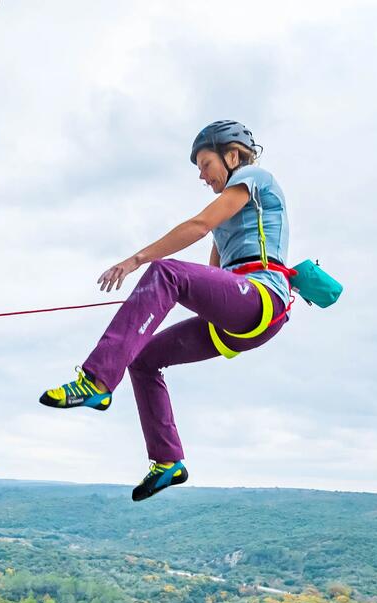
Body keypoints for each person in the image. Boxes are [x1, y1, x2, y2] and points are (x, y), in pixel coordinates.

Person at [38, 120, 293, 501]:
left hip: (261, 299)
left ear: (233, 156)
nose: (202, 176)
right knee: (142, 359)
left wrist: (136, 261)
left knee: (165, 271)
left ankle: (96, 381)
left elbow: (199, 224)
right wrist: (150, 307)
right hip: (236, 319)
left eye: (206, 164)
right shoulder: (229, 223)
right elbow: (210, 277)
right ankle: (167, 461)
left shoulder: (256, 177)